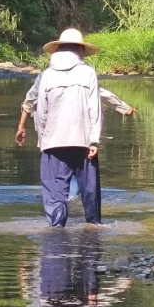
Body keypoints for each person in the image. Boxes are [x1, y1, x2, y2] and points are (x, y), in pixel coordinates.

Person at [15, 27, 105, 226]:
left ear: (59, 49)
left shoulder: (47, 75)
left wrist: (43, 140)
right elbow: (95, 109)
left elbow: (42, 111)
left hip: (53, 143)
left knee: (55, 195)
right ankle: (93, 231)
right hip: (84, 142)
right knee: (90, 193)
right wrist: (94, 141)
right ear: (80, 50)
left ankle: (56, 233)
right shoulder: (88, 73)